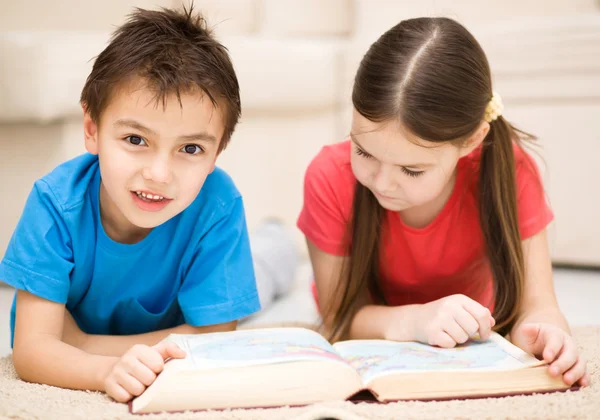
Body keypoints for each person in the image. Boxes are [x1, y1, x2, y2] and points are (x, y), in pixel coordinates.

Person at [0, 5, 294, 403]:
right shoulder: (55, 202)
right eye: (136, 140)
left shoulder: (218, 206)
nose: (159, 173)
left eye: (189, 148)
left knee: (267, 266)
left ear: (216, 153)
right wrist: (105, 372)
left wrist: (84, 344)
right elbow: (32, 351)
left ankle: (276, 236)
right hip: (166, 322)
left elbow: (213, 340)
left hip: (229, 267)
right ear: (92, 130)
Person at [297, 17, 589, 387]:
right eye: (363, 152)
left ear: (471, 141)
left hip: (461, 322)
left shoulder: (510, 170)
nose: (382, 183)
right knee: (268, 263)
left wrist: (547, 333)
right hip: (372, 309)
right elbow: (339, 316)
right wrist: (416, 320)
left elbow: (539, 304)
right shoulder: (329, 175)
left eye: (412, 170)